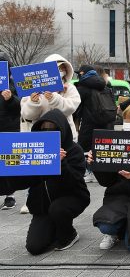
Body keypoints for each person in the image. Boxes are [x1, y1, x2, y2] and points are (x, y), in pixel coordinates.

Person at [0, 109, 90, 255]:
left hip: (71, 198)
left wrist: (60, 163)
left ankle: (69, 234)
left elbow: (72, 182)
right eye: (44, 129)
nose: (48, 132)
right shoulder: (36, 150)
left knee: (58, 210)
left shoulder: (74, 150)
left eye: (53, 129)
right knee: (34, 247)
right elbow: (21, 181)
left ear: (62, 129)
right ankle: (53, 227)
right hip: (42, 205)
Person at [87, 103, 130, 252]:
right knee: (105, 224)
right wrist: (96, 163)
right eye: (128, 120)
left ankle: (129, 228)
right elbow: (106, 182)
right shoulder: (114, 141)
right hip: (119, 196)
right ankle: (118, 230)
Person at [19, 54, 81, 214]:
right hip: (40, 135)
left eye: (62, 69)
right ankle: (33, 198)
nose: (60, 72)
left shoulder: (69, 88)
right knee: (38, 168)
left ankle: (64, 200)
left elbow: (71, 107)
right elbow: (27, 114)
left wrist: (55, 98)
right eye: (57, 68)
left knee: (64, 168)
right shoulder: (32, 88)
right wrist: (33, 102)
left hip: (64, 135)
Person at [74, 65, 116, 183]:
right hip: (107, 123)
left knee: (85, 148)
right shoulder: (105, 86)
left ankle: (89, 172)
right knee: (102, 148)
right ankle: (102, 172)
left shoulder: (82, 88)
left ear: (83, 74)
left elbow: (76, 109)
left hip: (89, 124)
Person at [0, 52, 21, 210]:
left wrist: (10, 99)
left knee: (9, 162)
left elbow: (21, 108)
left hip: (9, 128)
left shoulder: (15, 83)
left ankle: (10, 194)